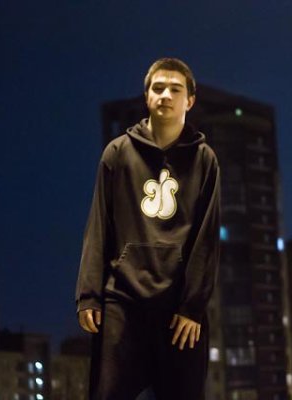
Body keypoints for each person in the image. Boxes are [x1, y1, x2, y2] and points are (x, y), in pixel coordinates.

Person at [75, 58, 221, 400]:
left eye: (175, 89)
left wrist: (192, 306)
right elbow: (98, 225)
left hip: (178, 309)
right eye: (158, 88)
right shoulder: (117, 153)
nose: (166, 95)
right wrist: (89, 295)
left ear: (190, 101)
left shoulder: (204, 159)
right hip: (123, 302)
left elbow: (207, 237)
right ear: (146, 97)